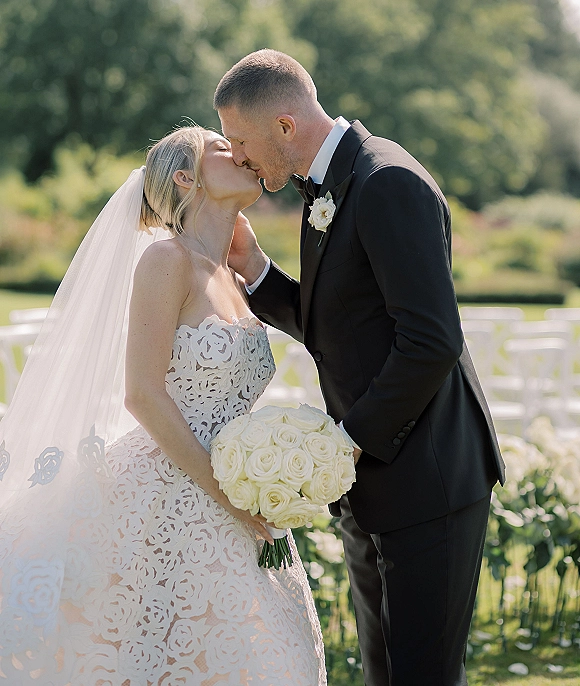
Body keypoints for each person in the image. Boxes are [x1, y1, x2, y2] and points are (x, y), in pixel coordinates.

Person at [215, 49, 506, 686]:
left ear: (285, 126)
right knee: (385, 674)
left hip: (427, 482)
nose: (237, 155)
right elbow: (341, 326)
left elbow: (430, 341)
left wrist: (342, 444)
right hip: (371, 484)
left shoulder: (386, 182)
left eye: (240, 139)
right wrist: (258, 271)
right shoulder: (329, 187)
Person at [0, 126, 326, 685]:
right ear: (185, 177)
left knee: (270, 656)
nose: (243, 154)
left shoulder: (232, 275)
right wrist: (230, 497)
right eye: (225, 149)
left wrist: (262, 482)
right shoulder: (166, 260)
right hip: (171, 495)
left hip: (241, 493)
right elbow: (143, 395)